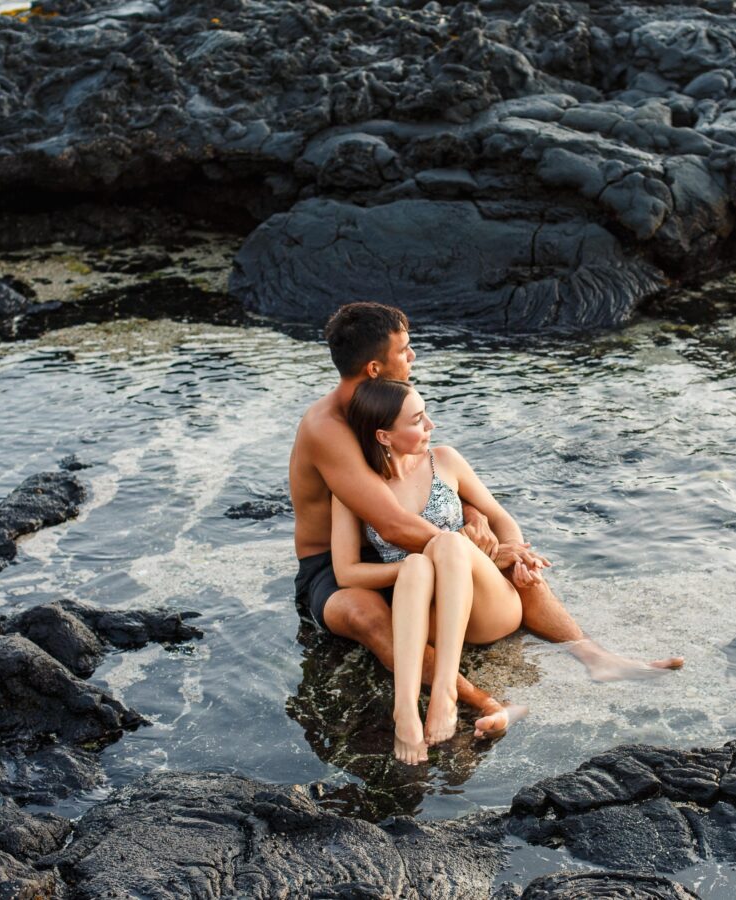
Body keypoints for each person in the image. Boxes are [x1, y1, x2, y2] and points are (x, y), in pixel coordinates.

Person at [288, 303, 682, 746]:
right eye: (405, 350)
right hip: (339, 564)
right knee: (368, 613)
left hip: (406, 550)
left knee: (514, 564)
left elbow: (426, 471)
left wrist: (474, 517)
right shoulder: (330, 428)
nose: (413, 357)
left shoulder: (384, 408)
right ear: (376, 367)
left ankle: (594, 656)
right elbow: (394, 523)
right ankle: (482, 701)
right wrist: (479, 555)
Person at [331, 378, 527, 763]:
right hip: (431, 613)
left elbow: (503, 519)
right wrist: (408, 567)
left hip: (489, 608)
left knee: (449, 542)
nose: (431, 425)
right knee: (419, 563)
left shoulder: (445, 460)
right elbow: (347, 574)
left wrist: (518, 557)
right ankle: (405, 711)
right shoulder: (355, 490)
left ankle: (445, 692)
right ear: (384, 436)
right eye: (418, 420)